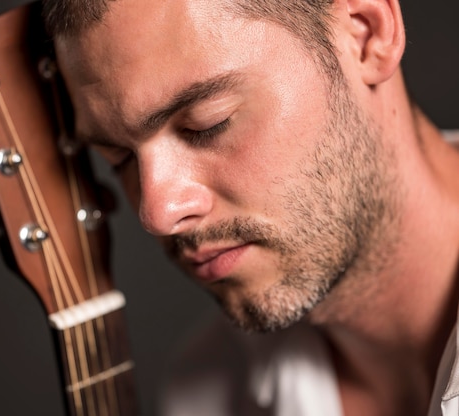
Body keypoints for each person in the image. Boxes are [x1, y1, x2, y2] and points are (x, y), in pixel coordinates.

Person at [44, 0, 459, 414]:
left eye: (208, 124)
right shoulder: (204, 394)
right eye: (120, 158)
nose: (158, 213)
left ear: (367, 34)